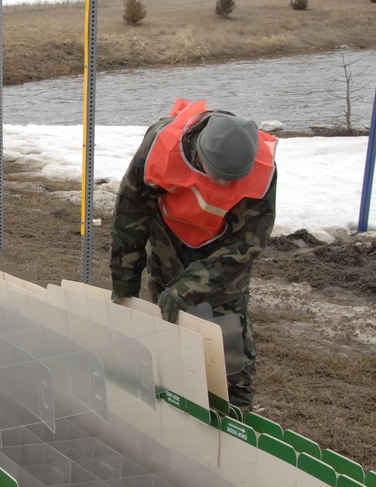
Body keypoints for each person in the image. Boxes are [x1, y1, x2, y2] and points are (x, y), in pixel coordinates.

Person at [110, 99, 278, 413]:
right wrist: (125, 289)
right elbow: (129, 221)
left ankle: (236, 413)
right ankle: (176, 399)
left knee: (228, 335)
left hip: (223, 247)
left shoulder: (262, 169)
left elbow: (246, 246)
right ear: (199, 153)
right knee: (170, 318)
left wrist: (189, 288)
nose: (224, 186)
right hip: (170, 237)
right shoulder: (159, 147)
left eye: (232, 180)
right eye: (218, 176)